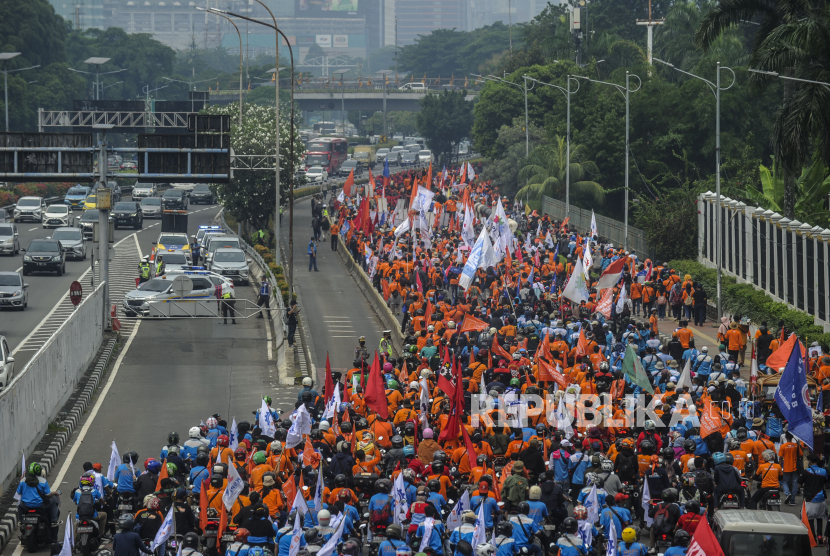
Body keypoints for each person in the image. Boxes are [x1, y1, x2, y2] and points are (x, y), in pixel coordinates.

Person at [16, 463, 61, 540]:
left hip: (26, 505)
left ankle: (20, 521)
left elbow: (18, 492)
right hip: (40, 505)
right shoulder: (43, 481)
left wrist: (21, 481)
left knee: (19, 506)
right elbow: (47, 494)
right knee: (53, 502)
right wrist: (54, 493)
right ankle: (54, 521)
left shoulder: (23, 480)